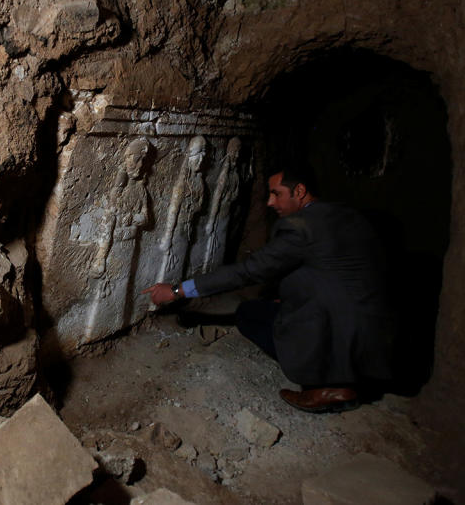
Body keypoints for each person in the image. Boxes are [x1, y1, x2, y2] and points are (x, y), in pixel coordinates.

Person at [142, 164, 394, 413]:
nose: (270, 203)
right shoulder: (348, 216)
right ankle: (350, 374)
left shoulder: (300, 227)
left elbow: (249, 271)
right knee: (280, 303)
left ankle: (327, 385)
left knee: (249, 314)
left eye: (277, 194)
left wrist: (177, 291)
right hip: (374, 336)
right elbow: (335, 273)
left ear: (300, 191)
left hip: (336, 328)